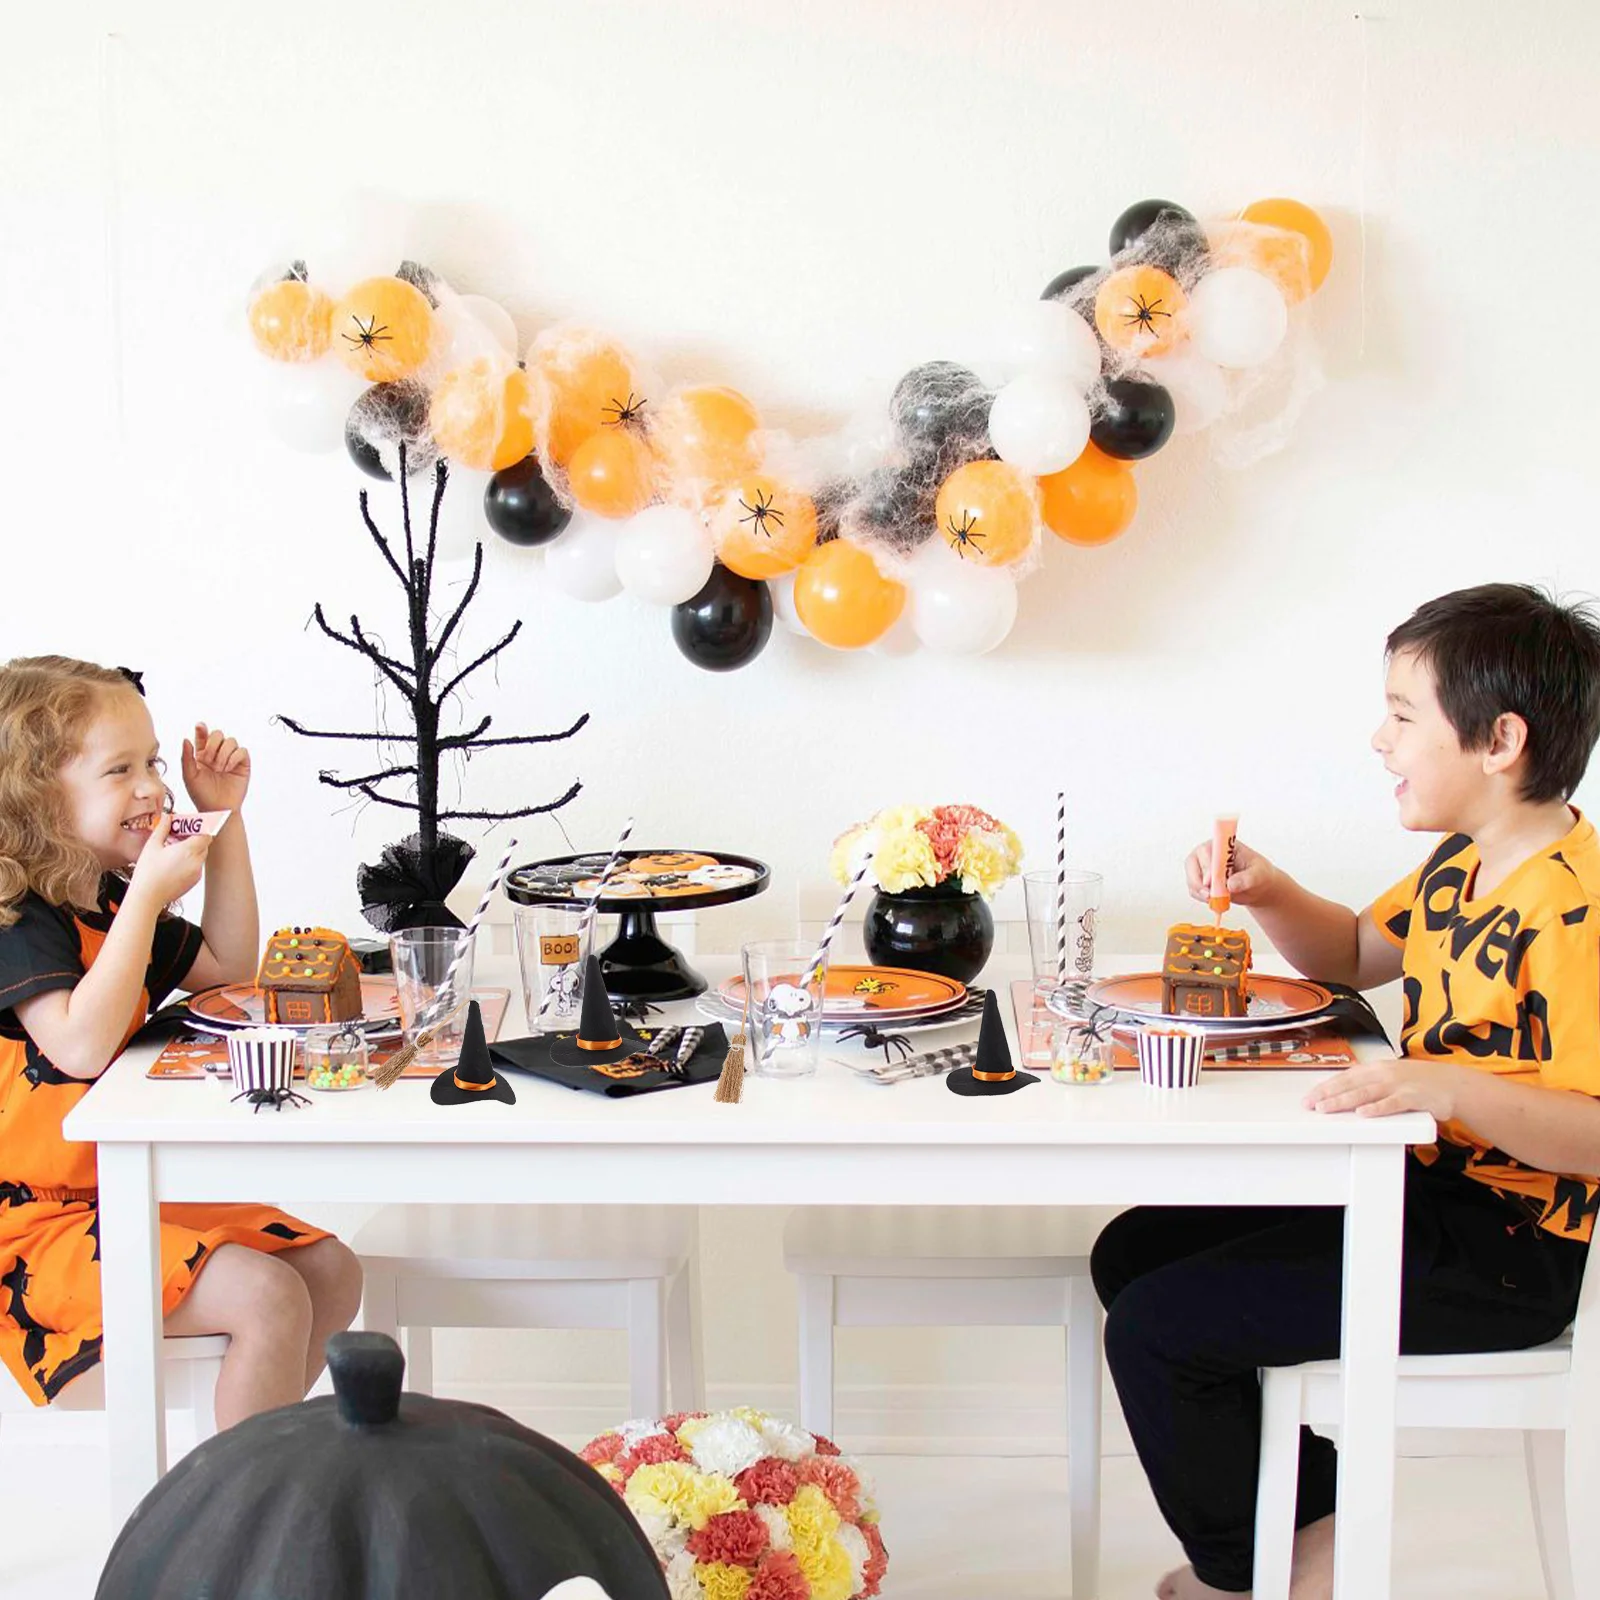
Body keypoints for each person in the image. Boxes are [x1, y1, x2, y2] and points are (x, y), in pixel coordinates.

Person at [1092, 585, 1600, 1598]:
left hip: (1512, 1250)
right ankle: (1310, 1523)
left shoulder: (1573, 908)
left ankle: (1248, 1576)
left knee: (1157, 1327)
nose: (1379, 738)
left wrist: (1446, 1085)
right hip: (1426, 1192)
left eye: (1403, 715)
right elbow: (1357, 951)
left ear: (1499, 741)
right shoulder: (1463, 863)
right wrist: (1271, 888)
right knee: (1133, 1252)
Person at [0, 656, 363, 1427]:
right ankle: (234, 1501)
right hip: (26, 1230)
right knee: (266, 1295)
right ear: (37, 796)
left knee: (329, 1269)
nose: (152, 789)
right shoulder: (17, 916)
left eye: (153, 763)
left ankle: (248, 1473)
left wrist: (222, 819)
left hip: (115, 1191)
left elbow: (227, 965)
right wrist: (148, 897)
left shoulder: (106, 899)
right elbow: (77, 1046)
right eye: (119, 770)